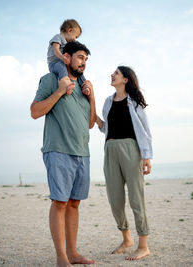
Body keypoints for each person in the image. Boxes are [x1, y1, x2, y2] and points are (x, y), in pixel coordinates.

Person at [31, 41, 96, 267]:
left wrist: (92, 97)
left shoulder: (84, 86)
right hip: (58, 151)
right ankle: (61, 257)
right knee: (59, 202)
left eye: (86, 59)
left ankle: (73, 253)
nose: (83, 62)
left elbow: (89, 123)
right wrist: (60, 91)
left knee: (74, 203)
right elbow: (35, 112)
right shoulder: (50, 80)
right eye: (80, 57)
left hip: (82, 153)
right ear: (66, 57)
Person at [96, 66, 152, 261]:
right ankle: (127, 239)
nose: (112, 75)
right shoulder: (108, 101)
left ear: (125, 79)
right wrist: (95, 117)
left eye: (116, 73)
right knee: (115, 199)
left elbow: (145, 131)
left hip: (131, 150)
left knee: (136, 198)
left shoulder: (134, 103)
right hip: (110, 150)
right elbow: (106, 128)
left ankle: (143, 245)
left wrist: (147, 157)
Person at [47, 19, 89, 95]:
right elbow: (56, 50)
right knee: (61, 66)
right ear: (70, 31)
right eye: (75, 36)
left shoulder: (67, 43)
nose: (74, 39)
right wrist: (63, 58)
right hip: (54, 64)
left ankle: (84, 85)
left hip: (62, 62)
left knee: (77, 69)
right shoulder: (58, 37)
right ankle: (66, 85)